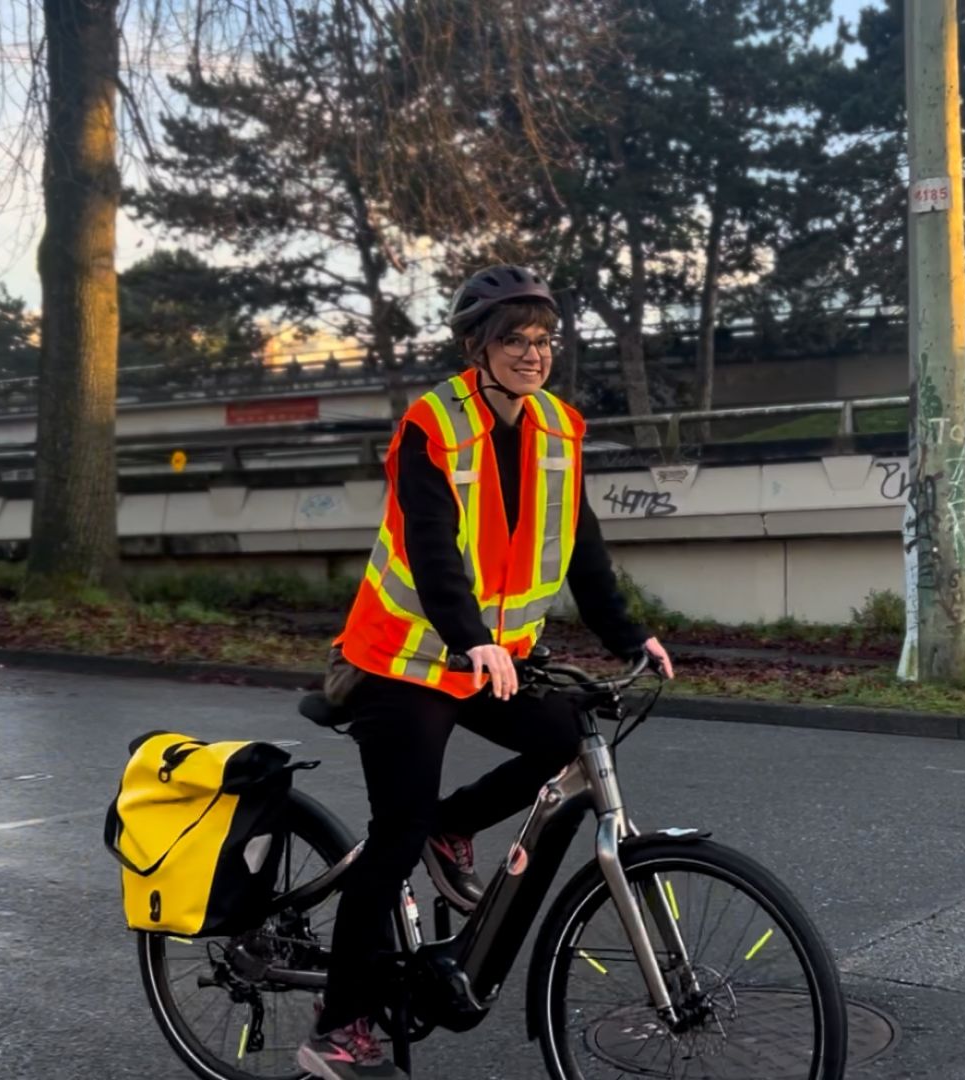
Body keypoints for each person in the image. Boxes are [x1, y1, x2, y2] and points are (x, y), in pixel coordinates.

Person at [299, 266, 673, 1080]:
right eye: (515, 339)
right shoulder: (433, 426)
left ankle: (453, 824)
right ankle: (339, 1023)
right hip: (403, 657)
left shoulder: (559, 430)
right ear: (478, 346)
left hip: (491, 656)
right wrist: (471, 640)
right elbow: (433, 555)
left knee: (562, 741)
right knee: (392, 839)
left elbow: (583, 549)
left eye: (543, 341)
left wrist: (630, 636)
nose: (533, 355)